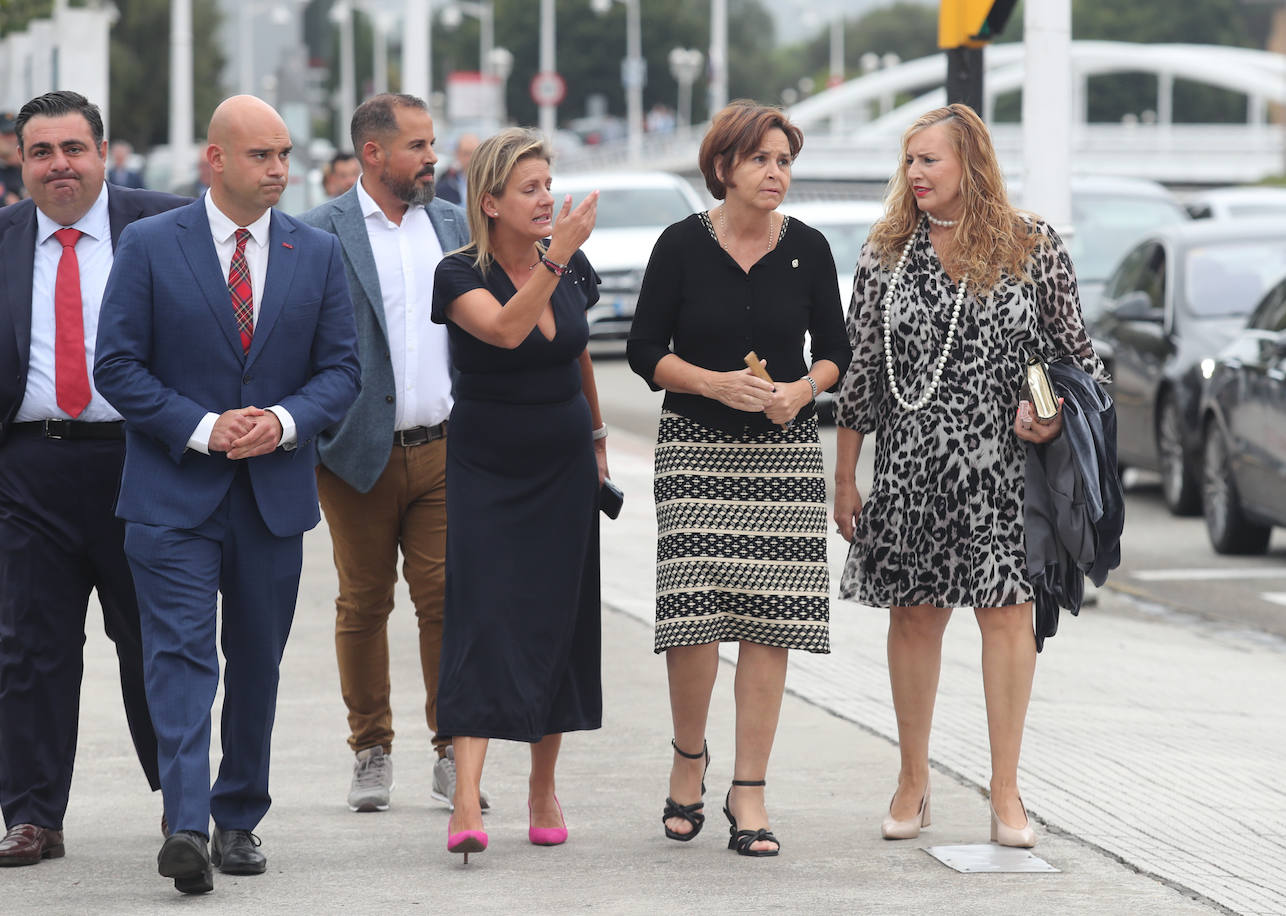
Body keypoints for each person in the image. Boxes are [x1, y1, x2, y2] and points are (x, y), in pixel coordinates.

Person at [93, 95, 361, 895]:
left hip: (272, 495)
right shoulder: (148, 245)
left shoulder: (314, 253)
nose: (280, 169)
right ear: (216, 160)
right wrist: (205, 427)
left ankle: (237, 815)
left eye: (285, 155)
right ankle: (183, 822)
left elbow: (342, 371)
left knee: (255, 661)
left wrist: (280, 421)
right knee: (176, 655)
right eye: (262, 156)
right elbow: (116, 366)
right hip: (172, 493)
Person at [831, 103, 1106, 849]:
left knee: (1008, 616)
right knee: (915, 616)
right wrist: (845, 475)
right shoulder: (884, 252)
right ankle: (913, 782)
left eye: (930, 160)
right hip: (914, 466)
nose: (915, 173)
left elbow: (1071, 355)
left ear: (970, 163)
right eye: (909, 161)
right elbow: (860, 378)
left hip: (1003, 469)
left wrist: (1044, 412)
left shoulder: (1030, 245)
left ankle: (1006, 791)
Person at [0, 90, 187, 868]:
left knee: (157, 645)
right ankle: (34, 815)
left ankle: (183, 808)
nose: (59, 166)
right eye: (41, 152)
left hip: (141, 467)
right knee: (31, 650)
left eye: (73, 149)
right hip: (28, 474)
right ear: (20, 160)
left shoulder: (163, 222)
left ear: (103, 152)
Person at [626, 100, 849, 858]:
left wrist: (801, 390)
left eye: (784, 161)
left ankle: (749, 788)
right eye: (761, 159)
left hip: (783, 458)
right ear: (724, 167)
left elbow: (836, 352)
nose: (776, 173)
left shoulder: (810, 248)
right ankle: (689, 759)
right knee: (692, 615)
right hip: (694, 449)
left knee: (769, 620)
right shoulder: (680, 246)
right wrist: (713, 383)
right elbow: (644, 349)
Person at [301, 93, 487, 814]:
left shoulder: (453, 224)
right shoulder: (320, 233)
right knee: (364, 602)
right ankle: (370, 748)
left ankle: (451, 751)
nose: (432, 159)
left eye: (433, 143)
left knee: (445, 601)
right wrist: (316, 436)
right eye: (417, 146)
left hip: (444, 448)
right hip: (355, 455)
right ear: (373, 154)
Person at [432, 127, 603, 862]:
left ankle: (543, 787)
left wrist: (598, 439)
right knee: (481, 616)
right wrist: (556, 255)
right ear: (490, 200)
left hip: (564, 462)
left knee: (555, 619)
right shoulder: (456, 271)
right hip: (488, 467)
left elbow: (579, 350)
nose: (546, 199)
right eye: (530, 189)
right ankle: (467, 797)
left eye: (548, 185)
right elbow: (503, 331)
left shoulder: (570, 265)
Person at [434, 132, 477, 205]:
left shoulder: (491, 184)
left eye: (475, 153)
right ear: (458, 154)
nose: (471, 158)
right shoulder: (445, 184)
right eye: (466, 153)